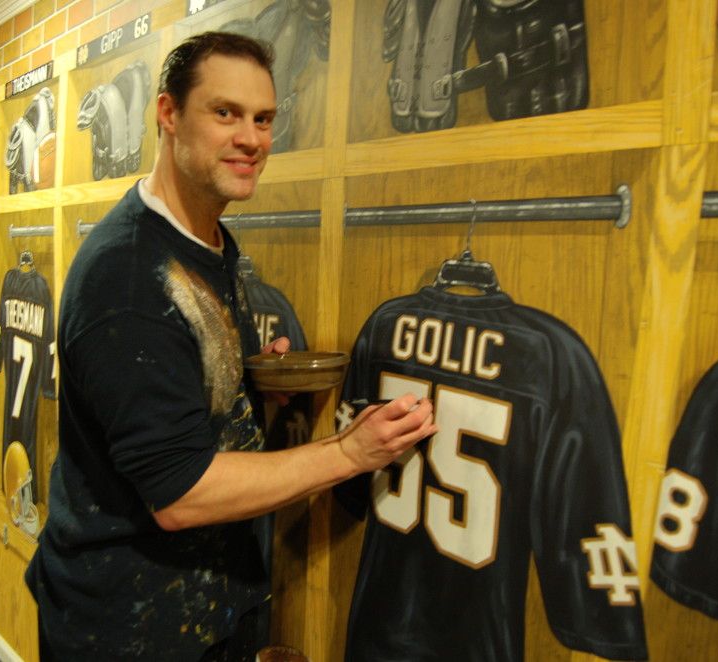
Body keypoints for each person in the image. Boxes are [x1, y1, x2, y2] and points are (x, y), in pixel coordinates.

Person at [24, 31, 436, 661]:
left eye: (264, 118)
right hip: (126, 628)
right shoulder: (130, 277)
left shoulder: (207, 238)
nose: (252, 139)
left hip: (207, 604)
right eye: (226, 114)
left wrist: (244, 382)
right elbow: (181, 494)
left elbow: (178, 389)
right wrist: (351, 452)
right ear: (168, 114)